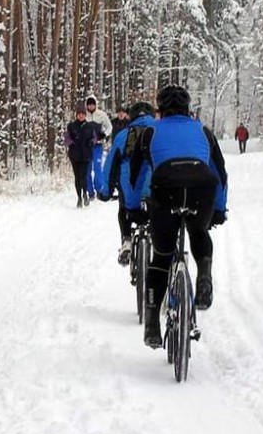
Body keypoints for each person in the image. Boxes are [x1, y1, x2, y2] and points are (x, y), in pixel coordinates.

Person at [130, 85, 228, 347]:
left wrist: (131, 208)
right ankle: (204, 274)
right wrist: (219, 209)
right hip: (201, 189)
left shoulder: (150, 131)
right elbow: (220, 172)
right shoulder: (203, 131)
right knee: (199, 231)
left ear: (160, 110)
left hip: (165, 190)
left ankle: (151, 325)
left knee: (161, 255)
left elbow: (136, 174)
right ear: (188, 109)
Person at [97, 101, 156, 265]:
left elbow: (110, 166)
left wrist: (106, 192)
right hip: (156, 186)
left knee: (124, 208)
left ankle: (127, 241)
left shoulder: (122, 136)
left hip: (130, 186)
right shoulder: (161, 132)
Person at [64, 104, 101, 208]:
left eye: (82, 114)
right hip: (75, 155)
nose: (81, 116)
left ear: (85, 115)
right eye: (79, 114)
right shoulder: (71, 126)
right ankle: (79, 197)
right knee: (77, 177)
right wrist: (71, 143)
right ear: (76, 115)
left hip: (86, 155)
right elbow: (66, 138)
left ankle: (85, 194)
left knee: (84, 176)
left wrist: (91, 142)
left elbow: (94, 137)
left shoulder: (90, 126)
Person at [84, 94, 112, 198]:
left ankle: (99, 188)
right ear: (86, 106)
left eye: (92, 105)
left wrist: (104, 134)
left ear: (96, 105)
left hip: (98, 146)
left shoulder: (101, 115)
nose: (91, 107)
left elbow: (109, 127)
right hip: (86, 147)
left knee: (97, 167)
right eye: (89, 105)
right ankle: (90, 191)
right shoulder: (84, 115)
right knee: (87, 168)